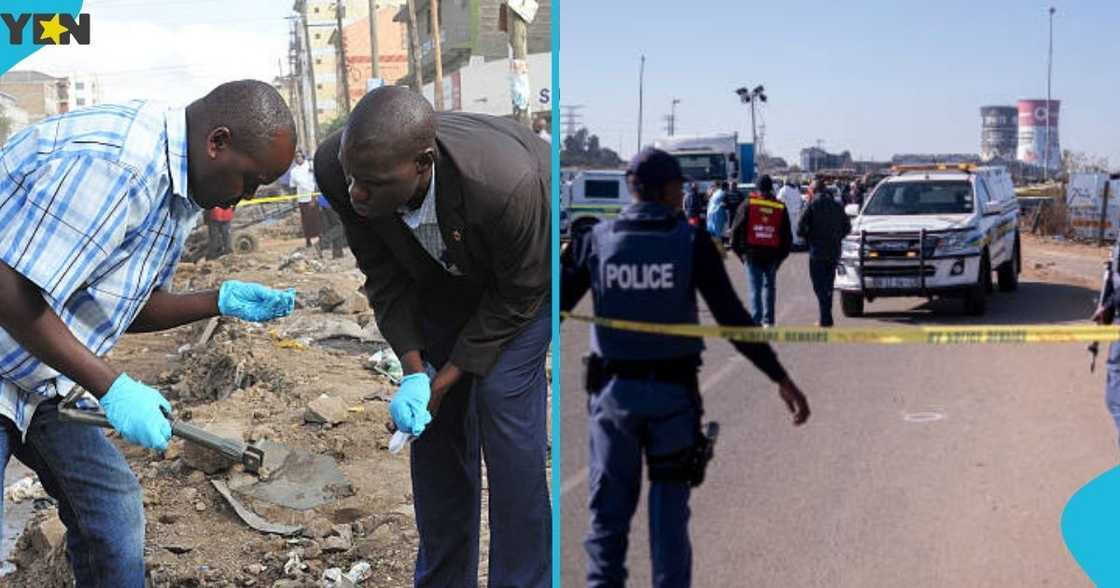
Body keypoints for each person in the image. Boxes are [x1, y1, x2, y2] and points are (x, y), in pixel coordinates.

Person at [0, 80, 298, 587]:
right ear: (217, 142)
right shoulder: (118, 166)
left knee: (113, 513)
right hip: (13, 343)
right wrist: (112, 385)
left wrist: (217, 300)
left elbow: (120, 305)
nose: (245, 198)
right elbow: (8, 286)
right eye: (250, 181)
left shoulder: (180, 192)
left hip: (38, 372)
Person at [314, 86, 551, 587]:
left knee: (502, 405)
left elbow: (518, 295)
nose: (356, 193)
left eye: (372, 184)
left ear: (423, 163)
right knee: (433, 433)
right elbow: (383, 275)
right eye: (353, 178)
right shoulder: (342, 172)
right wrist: (415, 371)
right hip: (441, 278)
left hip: (522, 283)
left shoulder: (506, 185)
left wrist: (449, 376)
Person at [561, 147, 811, 588]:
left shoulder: (597, 240)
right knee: (669, 525)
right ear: (667, 189)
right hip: (672, 403)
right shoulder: (689, 240)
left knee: (607, 525)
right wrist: (780, 378)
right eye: (679, 185)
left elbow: (553, 306)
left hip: (613, 401)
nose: (684, 193)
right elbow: (734, 319)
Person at [729, 175, 792, 326]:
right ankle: (768, 322)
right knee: (769, 288)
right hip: (772, 255)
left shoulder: (748, 204)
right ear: (771, 188)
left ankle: (756, 321)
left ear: (757, 188)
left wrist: (741, 254)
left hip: (752, 255)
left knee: (754, 289)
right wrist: (780, 257)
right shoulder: (779, 206)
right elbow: (787, 236)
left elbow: (735, 231)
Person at [798, 178, 852, 327]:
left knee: (819, 286)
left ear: (813, 190)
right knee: (827, 285)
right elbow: (847, 227)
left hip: (817, 251)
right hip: (834, 250)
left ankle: (825, 318)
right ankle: (826, 317)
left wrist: (810, 238)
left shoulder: (812, 205)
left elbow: (800, 228)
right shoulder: (837, 205)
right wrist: (837, 237)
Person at [289, 149, 320, 247]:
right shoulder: (294, 171)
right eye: (296, 157)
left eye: (300, 156)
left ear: (303, 157)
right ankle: (308, 240)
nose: (298, 158)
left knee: (316, 218)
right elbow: (292, 186)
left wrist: (314, 196)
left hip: (312, 195)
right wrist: (293, 201)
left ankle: (320, 238)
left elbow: (315, 180)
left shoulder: (309, 165)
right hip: (301, 198)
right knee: (305, 220)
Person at [778, 178, 806, 250]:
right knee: (796, 228)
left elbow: (779, 200)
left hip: (788, 212)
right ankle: (798, 242)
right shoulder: (796, 189)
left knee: (790, 229)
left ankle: (792, 243)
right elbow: (800, 200)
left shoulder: (783, 190)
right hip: (797, 212)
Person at [316, 192, 346, 259]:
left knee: (334, 227)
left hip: (322, 202)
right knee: (339, 227)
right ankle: (322, 243)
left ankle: (338, 252)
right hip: (332, 203)